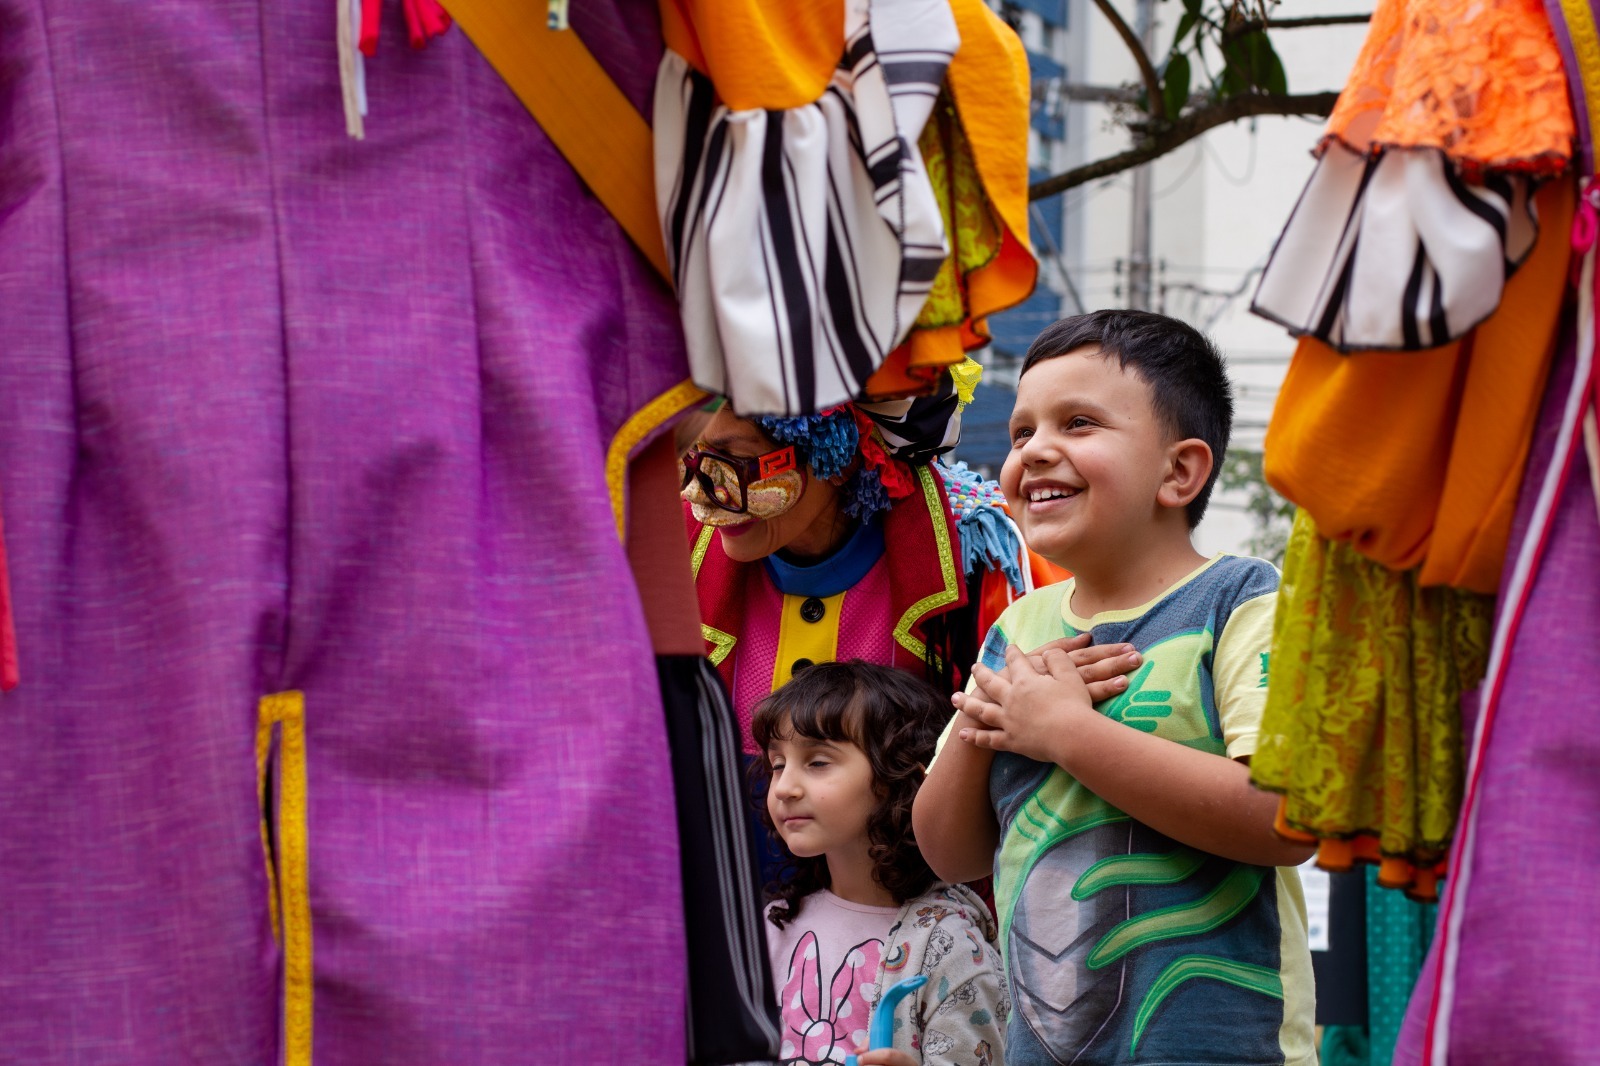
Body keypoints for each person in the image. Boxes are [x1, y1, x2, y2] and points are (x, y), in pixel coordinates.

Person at [913, 310, 1318, 1065]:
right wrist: (987, 723)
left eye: (1077, 423)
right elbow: (949, 850)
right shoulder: (1019, 628)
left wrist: (1068, 732)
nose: (1035, 452)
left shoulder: (1242, 601)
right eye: (1021, 432)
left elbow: (1286, 817)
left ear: (1179, 471)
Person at [753, 659, 1010, 1066]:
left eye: (817, 762)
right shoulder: (772, 927)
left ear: (899, 773)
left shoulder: (954, 947)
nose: (784, 787)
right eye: (777, 764)